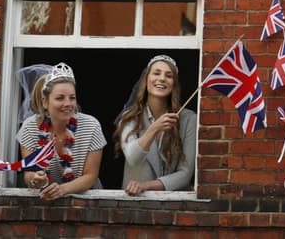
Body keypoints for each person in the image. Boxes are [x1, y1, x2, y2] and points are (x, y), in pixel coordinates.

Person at [16, 63, 106, 199]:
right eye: (60, 98)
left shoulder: (91, 126)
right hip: (45, 201)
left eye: (72, 97)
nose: (68, 104)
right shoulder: (30, 128)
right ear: (45, 102)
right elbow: (29, 174)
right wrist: (36, 179)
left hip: (86, 202)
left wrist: (62, 190)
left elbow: (90, 176)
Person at [113, 55, 196, 194]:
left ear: (174, 84)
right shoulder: (128, 117)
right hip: (135, 204)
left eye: (168, 76)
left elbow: (185, 174)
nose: (162, 78)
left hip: (174, 206)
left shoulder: (189, 119)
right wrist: (154, 128)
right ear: (146, 80)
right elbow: (133, 157)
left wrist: (147, 185)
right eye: (156, 73)